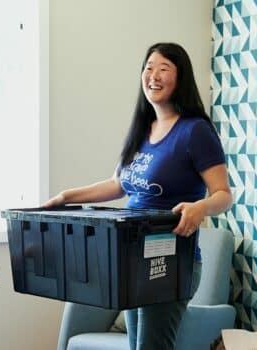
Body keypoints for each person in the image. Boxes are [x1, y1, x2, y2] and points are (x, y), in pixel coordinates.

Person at [43, 42, 232, 350]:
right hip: (131, 259)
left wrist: (201, 208)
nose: (153, 76)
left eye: (163, 69)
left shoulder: (195, 131)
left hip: (170, 260)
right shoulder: (143, 129)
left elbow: (224, 195)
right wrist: (66, 196)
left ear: (180, 78)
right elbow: (118, 184)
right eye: (148, 68)